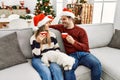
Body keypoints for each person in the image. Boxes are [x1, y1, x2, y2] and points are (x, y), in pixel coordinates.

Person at [50, 8, 102, 80]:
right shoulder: (62, 27)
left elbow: (86, 47)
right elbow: (49, 26)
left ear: (71, 19)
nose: (62, 21)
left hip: (84, 54)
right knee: (67, 69)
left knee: (97, 64)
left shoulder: (81, 31)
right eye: (62, 19)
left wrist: (73, 42)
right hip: (71, 55)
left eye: (64, 19)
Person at [30, 13, 63, 80]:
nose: (49, 24)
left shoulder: (52, 34)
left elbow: (57, 48)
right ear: (42, 25)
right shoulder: (33, 38)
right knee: (46, 72)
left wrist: (54, 56)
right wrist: (38, 42)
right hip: (38, 59)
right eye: (47, 23)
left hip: (51, 57)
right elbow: (36, 55)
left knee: (57, 70)